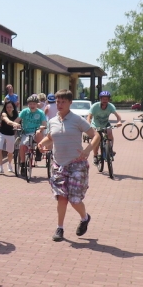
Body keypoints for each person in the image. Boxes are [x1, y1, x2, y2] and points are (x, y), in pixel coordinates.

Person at [38, 89, 100, 242]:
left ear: (70, 103)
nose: (59, 104)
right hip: (59, 165)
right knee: (62, 198)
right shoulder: (53, 121)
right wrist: (41, 144)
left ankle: (85, 218)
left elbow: (96, 135)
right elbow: (51, 136)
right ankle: (60, 228)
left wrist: (87, 150)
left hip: (77, 165)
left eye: (63, 102)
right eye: (58, 102)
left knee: (75, 200)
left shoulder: (77, 120)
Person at [86, 91, 124, 165]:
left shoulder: (110, 106)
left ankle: (110, 149)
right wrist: (88, 124)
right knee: (97, 140)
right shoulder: (95, 106)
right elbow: (89, 116)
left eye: (106, 99)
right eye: (103, 99)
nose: (105, 100)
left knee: (110, 133)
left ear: (108, 99)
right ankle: (95, 156)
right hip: (95, 125)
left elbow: (117, 115)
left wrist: (119, 121)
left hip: (106, 124)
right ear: (100, 99)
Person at [17, 95, 46, 177]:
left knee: (39, 132)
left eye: (34, 104)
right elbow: (17, 120)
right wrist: (15, 124)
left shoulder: (40, 113)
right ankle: (23, 164)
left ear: (37, 104)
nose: (32, 105)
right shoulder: (24, 111)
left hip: (36, 132)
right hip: (26, 132)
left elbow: (44, 123)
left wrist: (42, 127)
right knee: (22, 146)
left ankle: (38, 150)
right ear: (28, 104)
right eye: (30, 104)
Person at [0, 99, 20, 174]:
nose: (9, 108)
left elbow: (19, 122)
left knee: (10, 152)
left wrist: (18, 126)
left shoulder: (16, 114)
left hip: (11, 134)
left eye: (10, 107)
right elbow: (8, 121)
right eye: (7, 107)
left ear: (13, 108)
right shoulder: (3, 114)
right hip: (1, 133)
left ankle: (9, 164)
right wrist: (15, 124)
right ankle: (0, 167)